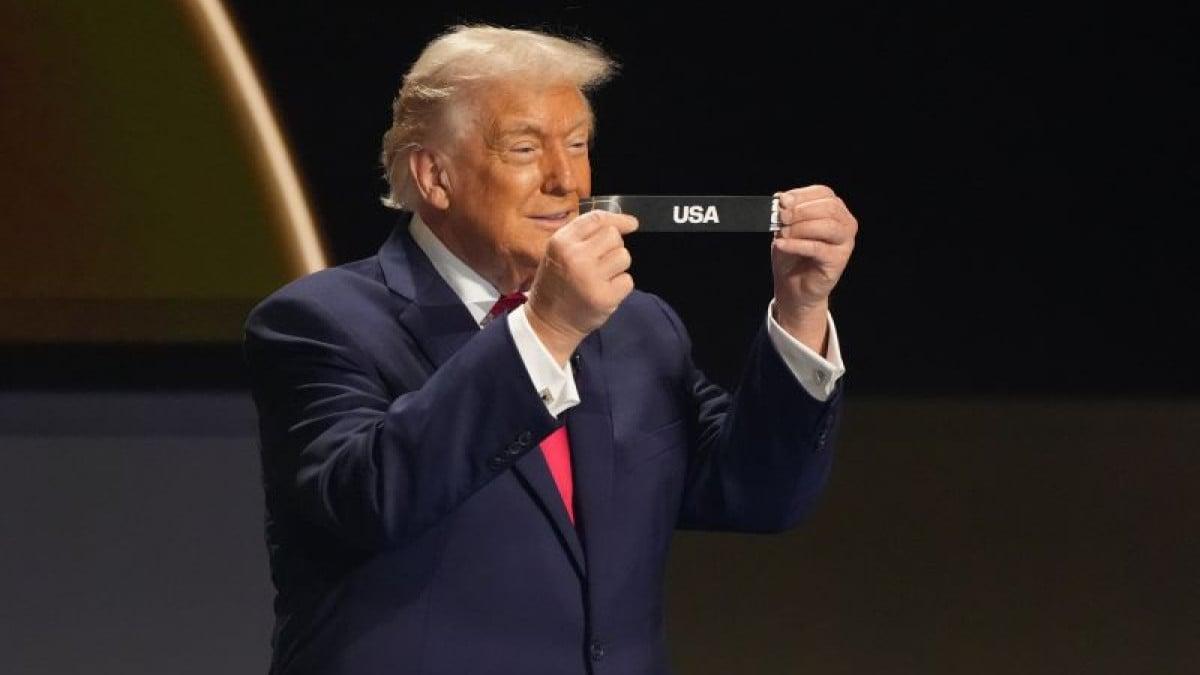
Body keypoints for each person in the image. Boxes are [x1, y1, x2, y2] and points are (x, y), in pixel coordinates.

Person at [244, 24, 857, 675]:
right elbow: (371, 496)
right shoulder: (318, 322)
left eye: (578, 144)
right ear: (435, 175)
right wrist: (547, 331)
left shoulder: (639, 328)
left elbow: (760, 495)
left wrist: (801, 308)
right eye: (524, 147)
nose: (565, 179)